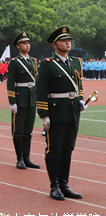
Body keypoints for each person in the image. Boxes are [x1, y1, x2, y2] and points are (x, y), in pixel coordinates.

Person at [36, 27, 85, 201]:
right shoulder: (48, 64)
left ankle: (64, 184)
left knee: (67, 149)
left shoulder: (76, 62)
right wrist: (43, 114)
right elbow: (40, 90)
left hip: (72, 112)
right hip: (55, 112)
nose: (68, 43)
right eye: (64, 41)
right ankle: (54, 185)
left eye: (69, 40)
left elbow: (78, 84)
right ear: (55, 44)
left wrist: (80, 98)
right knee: (54, 149)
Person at [7, 32, 40, 170]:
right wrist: (12, 101)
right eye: (24, 43)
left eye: (28, 43)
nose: (27, 45)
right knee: (18, 130)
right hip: (20, 99)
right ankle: (19, 158)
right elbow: (10, 83)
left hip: (31, 99)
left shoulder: (33, 61)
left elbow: (36, 80)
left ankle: (27, 157)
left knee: (28, 130)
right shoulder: (14, 62)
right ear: (18, 46)